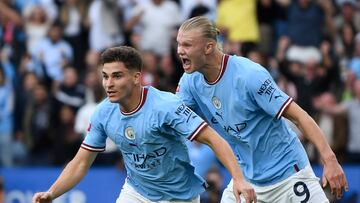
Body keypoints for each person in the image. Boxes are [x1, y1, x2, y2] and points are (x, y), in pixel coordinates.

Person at [32, 46, 256, 203]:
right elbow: (81, 163)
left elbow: (213, 138)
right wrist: (52, 193)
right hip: (136, 193)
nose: (109, 84)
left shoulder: (166, 106)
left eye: (117, 76)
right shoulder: (102, 112)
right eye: (105, 76)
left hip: (179, 196)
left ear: (137, 77)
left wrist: (238, 178)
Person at [176, 16, 348, 203]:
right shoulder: (189, 81)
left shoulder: (249, 75)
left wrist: (330, 160)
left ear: (208, 47)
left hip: (289, 175)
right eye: (179, 44)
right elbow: (173, 122)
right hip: (247, 181)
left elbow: (299, 116)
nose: (179, 51)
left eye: (187, 45)